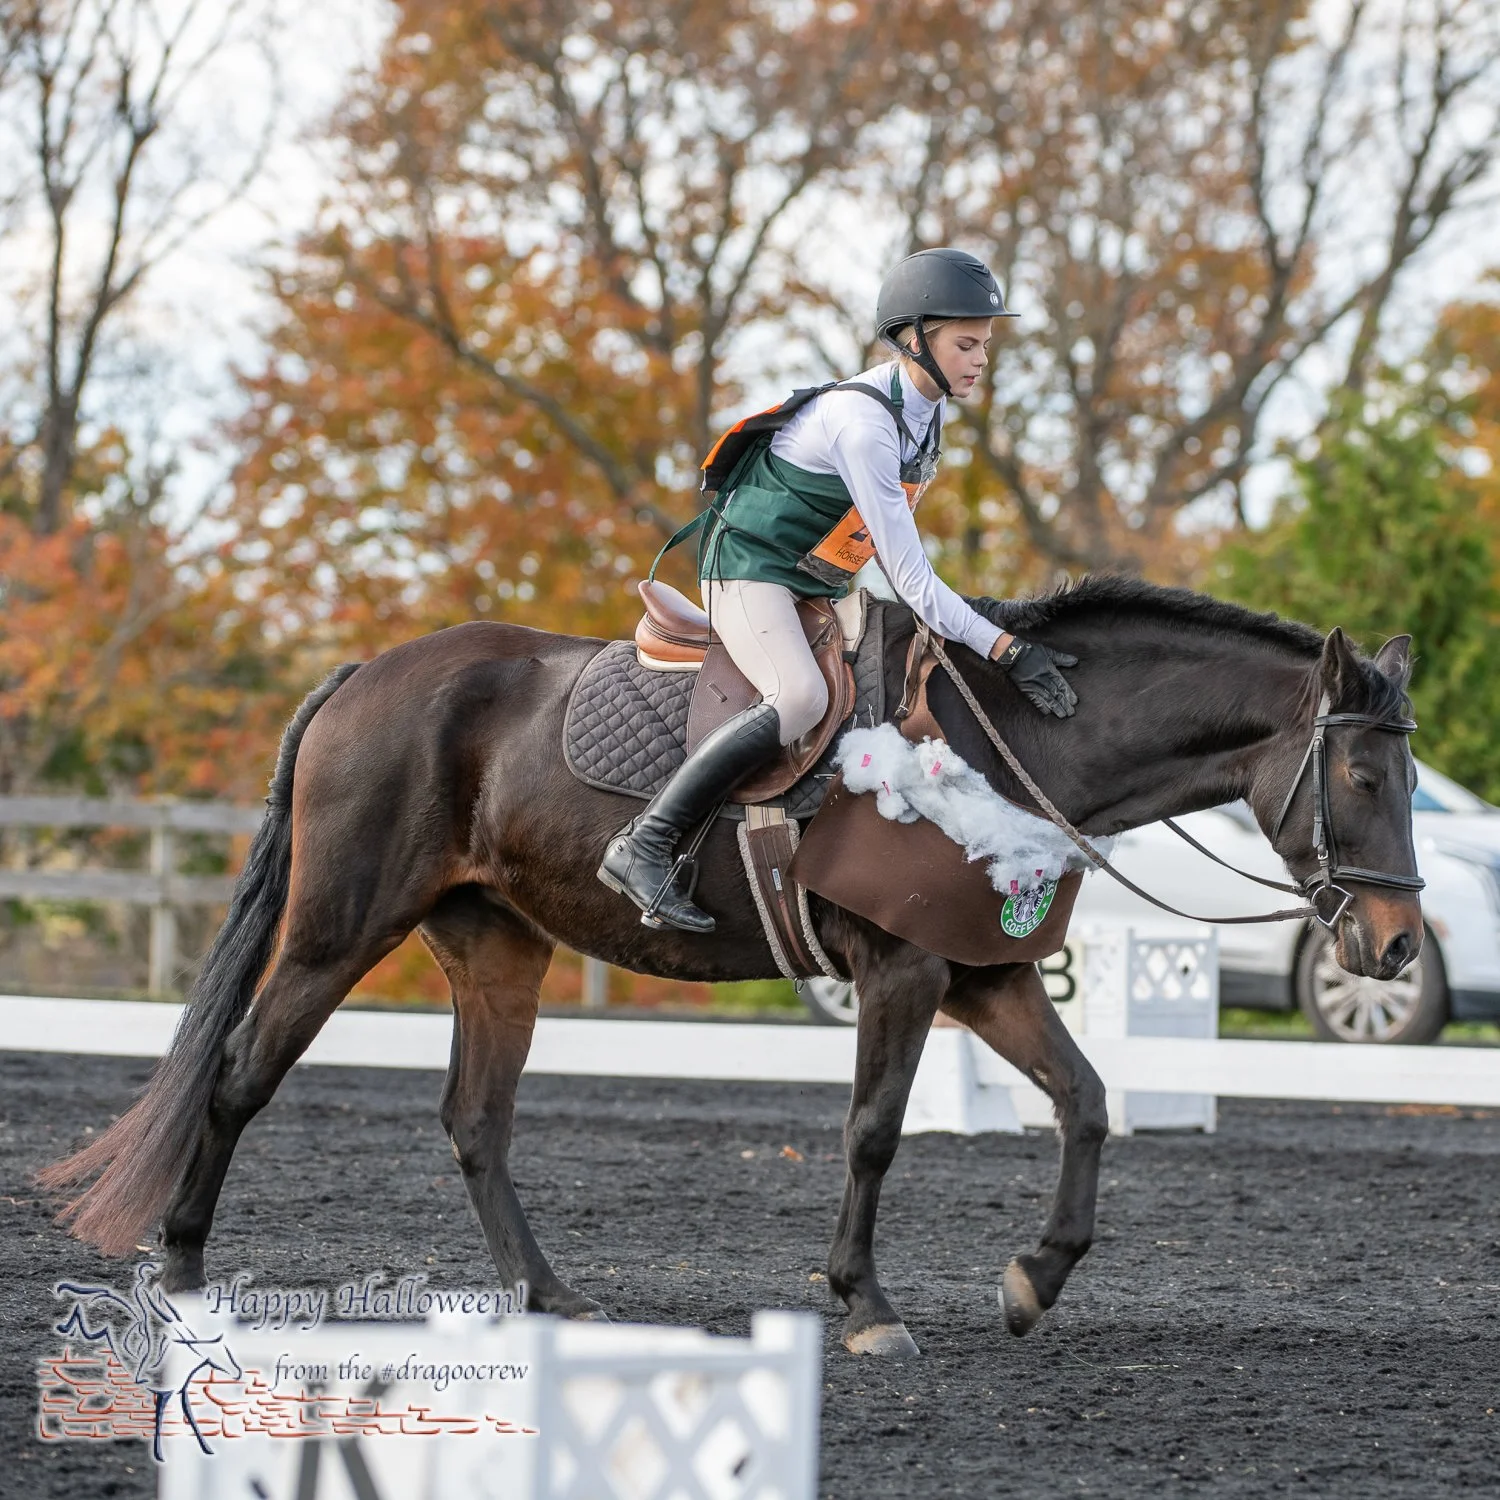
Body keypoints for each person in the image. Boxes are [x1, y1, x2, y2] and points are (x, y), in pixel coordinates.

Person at [598, 247, 1080, 933]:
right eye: (966, 344)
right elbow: (913, 579)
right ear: (915, 340)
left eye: (985, 345)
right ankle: (644, 843)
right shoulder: (865, 425)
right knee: (801, 698)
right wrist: (1006, 649)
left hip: (820, 577)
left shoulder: (927, 411)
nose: (980, 361)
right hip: (750, 569)